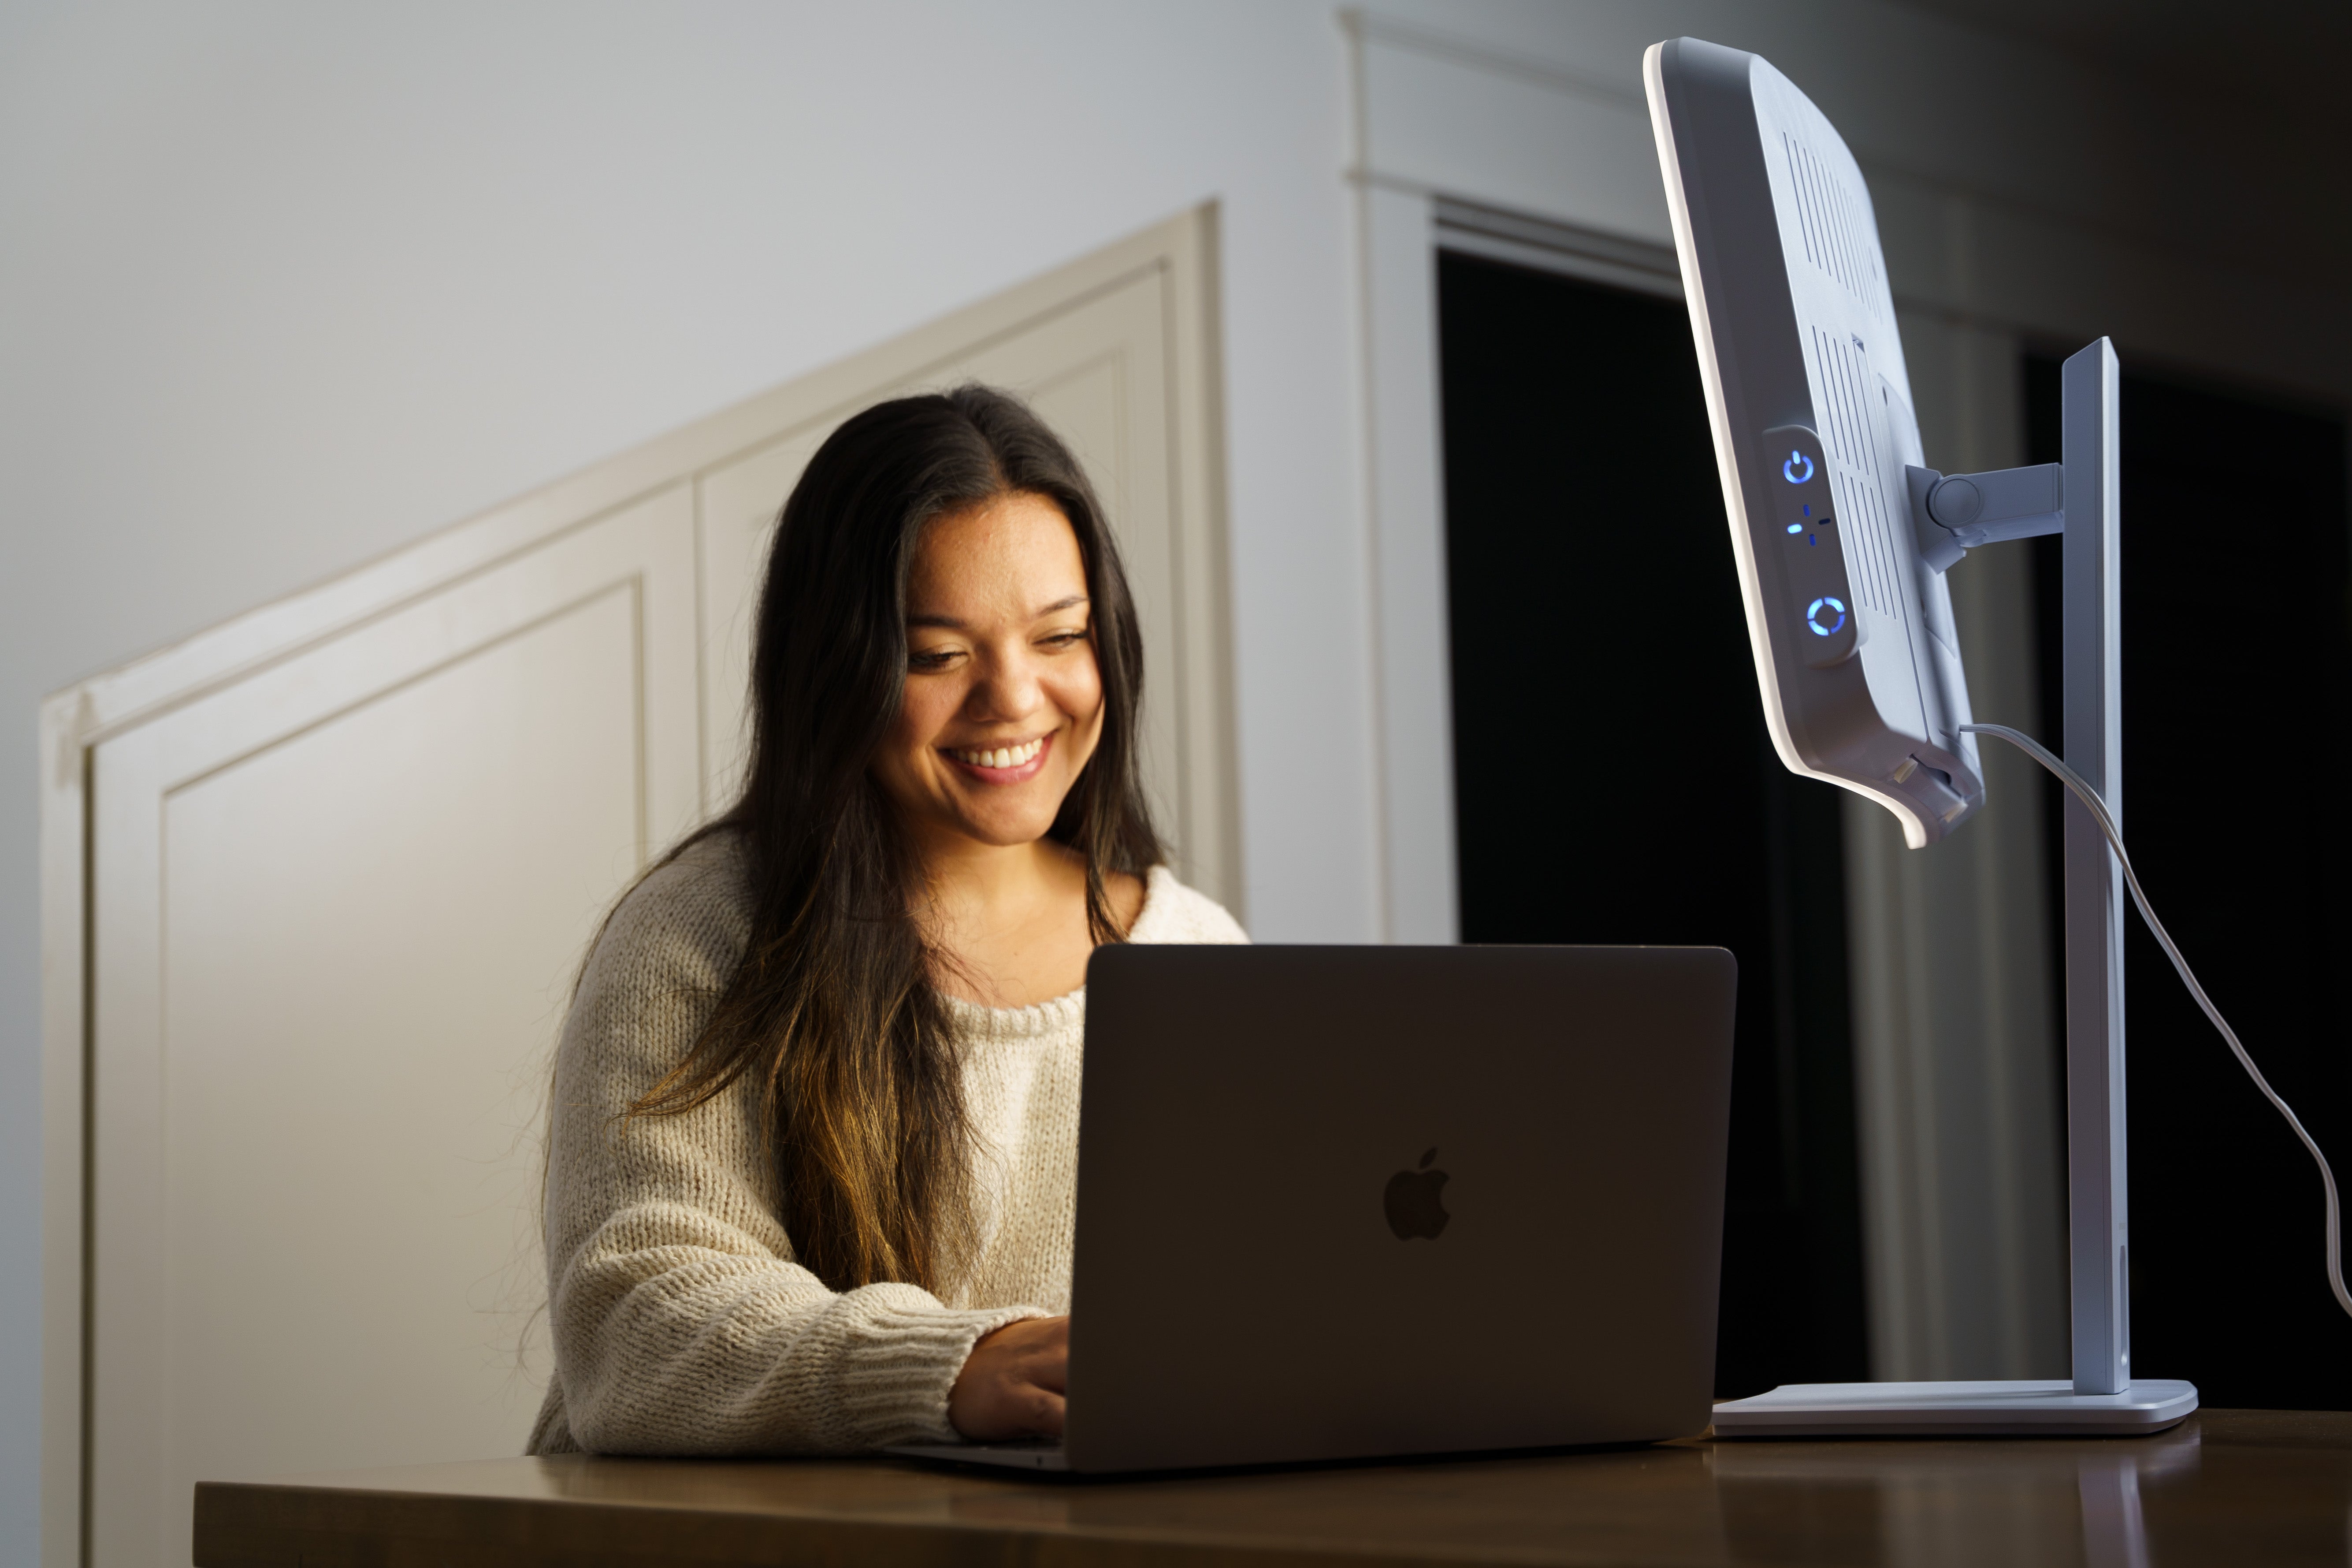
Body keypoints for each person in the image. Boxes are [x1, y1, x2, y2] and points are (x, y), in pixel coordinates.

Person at [528, 385, 1246, 1457]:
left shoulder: (1199, 959)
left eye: (1060, 636)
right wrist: (948, 1370)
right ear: (838, 667)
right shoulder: (702, 937)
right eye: (936, 654)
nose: (1014, 698)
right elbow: (636, 1319)